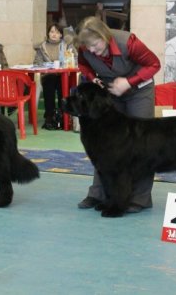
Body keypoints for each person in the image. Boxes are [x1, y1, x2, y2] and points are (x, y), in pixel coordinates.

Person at [75, 16, 161, 213]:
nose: (93, 51)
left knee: (143, 144)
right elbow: (84, 65)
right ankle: (99, 193)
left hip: (139, 91)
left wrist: (129, 82)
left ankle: (140, 198)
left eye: (96, 45)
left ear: (104, 35)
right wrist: (92, 78)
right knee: (104, 145)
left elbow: (154, 65)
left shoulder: (129, 42)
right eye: (89, 48)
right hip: (110, 92)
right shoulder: (85, 47)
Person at [33, 24, 76, 129]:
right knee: (49, 83)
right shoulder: (41, 47)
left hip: (64, 75)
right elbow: (36, 62)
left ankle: (63, 115)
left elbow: (75, 59)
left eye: (57, 32)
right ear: (48, 34)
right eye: (52, 32)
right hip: (48, 75)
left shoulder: (67, 45)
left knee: (62, 86)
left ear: (61, 35)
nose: (54, 34)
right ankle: (50, 115)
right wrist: (48, 65)